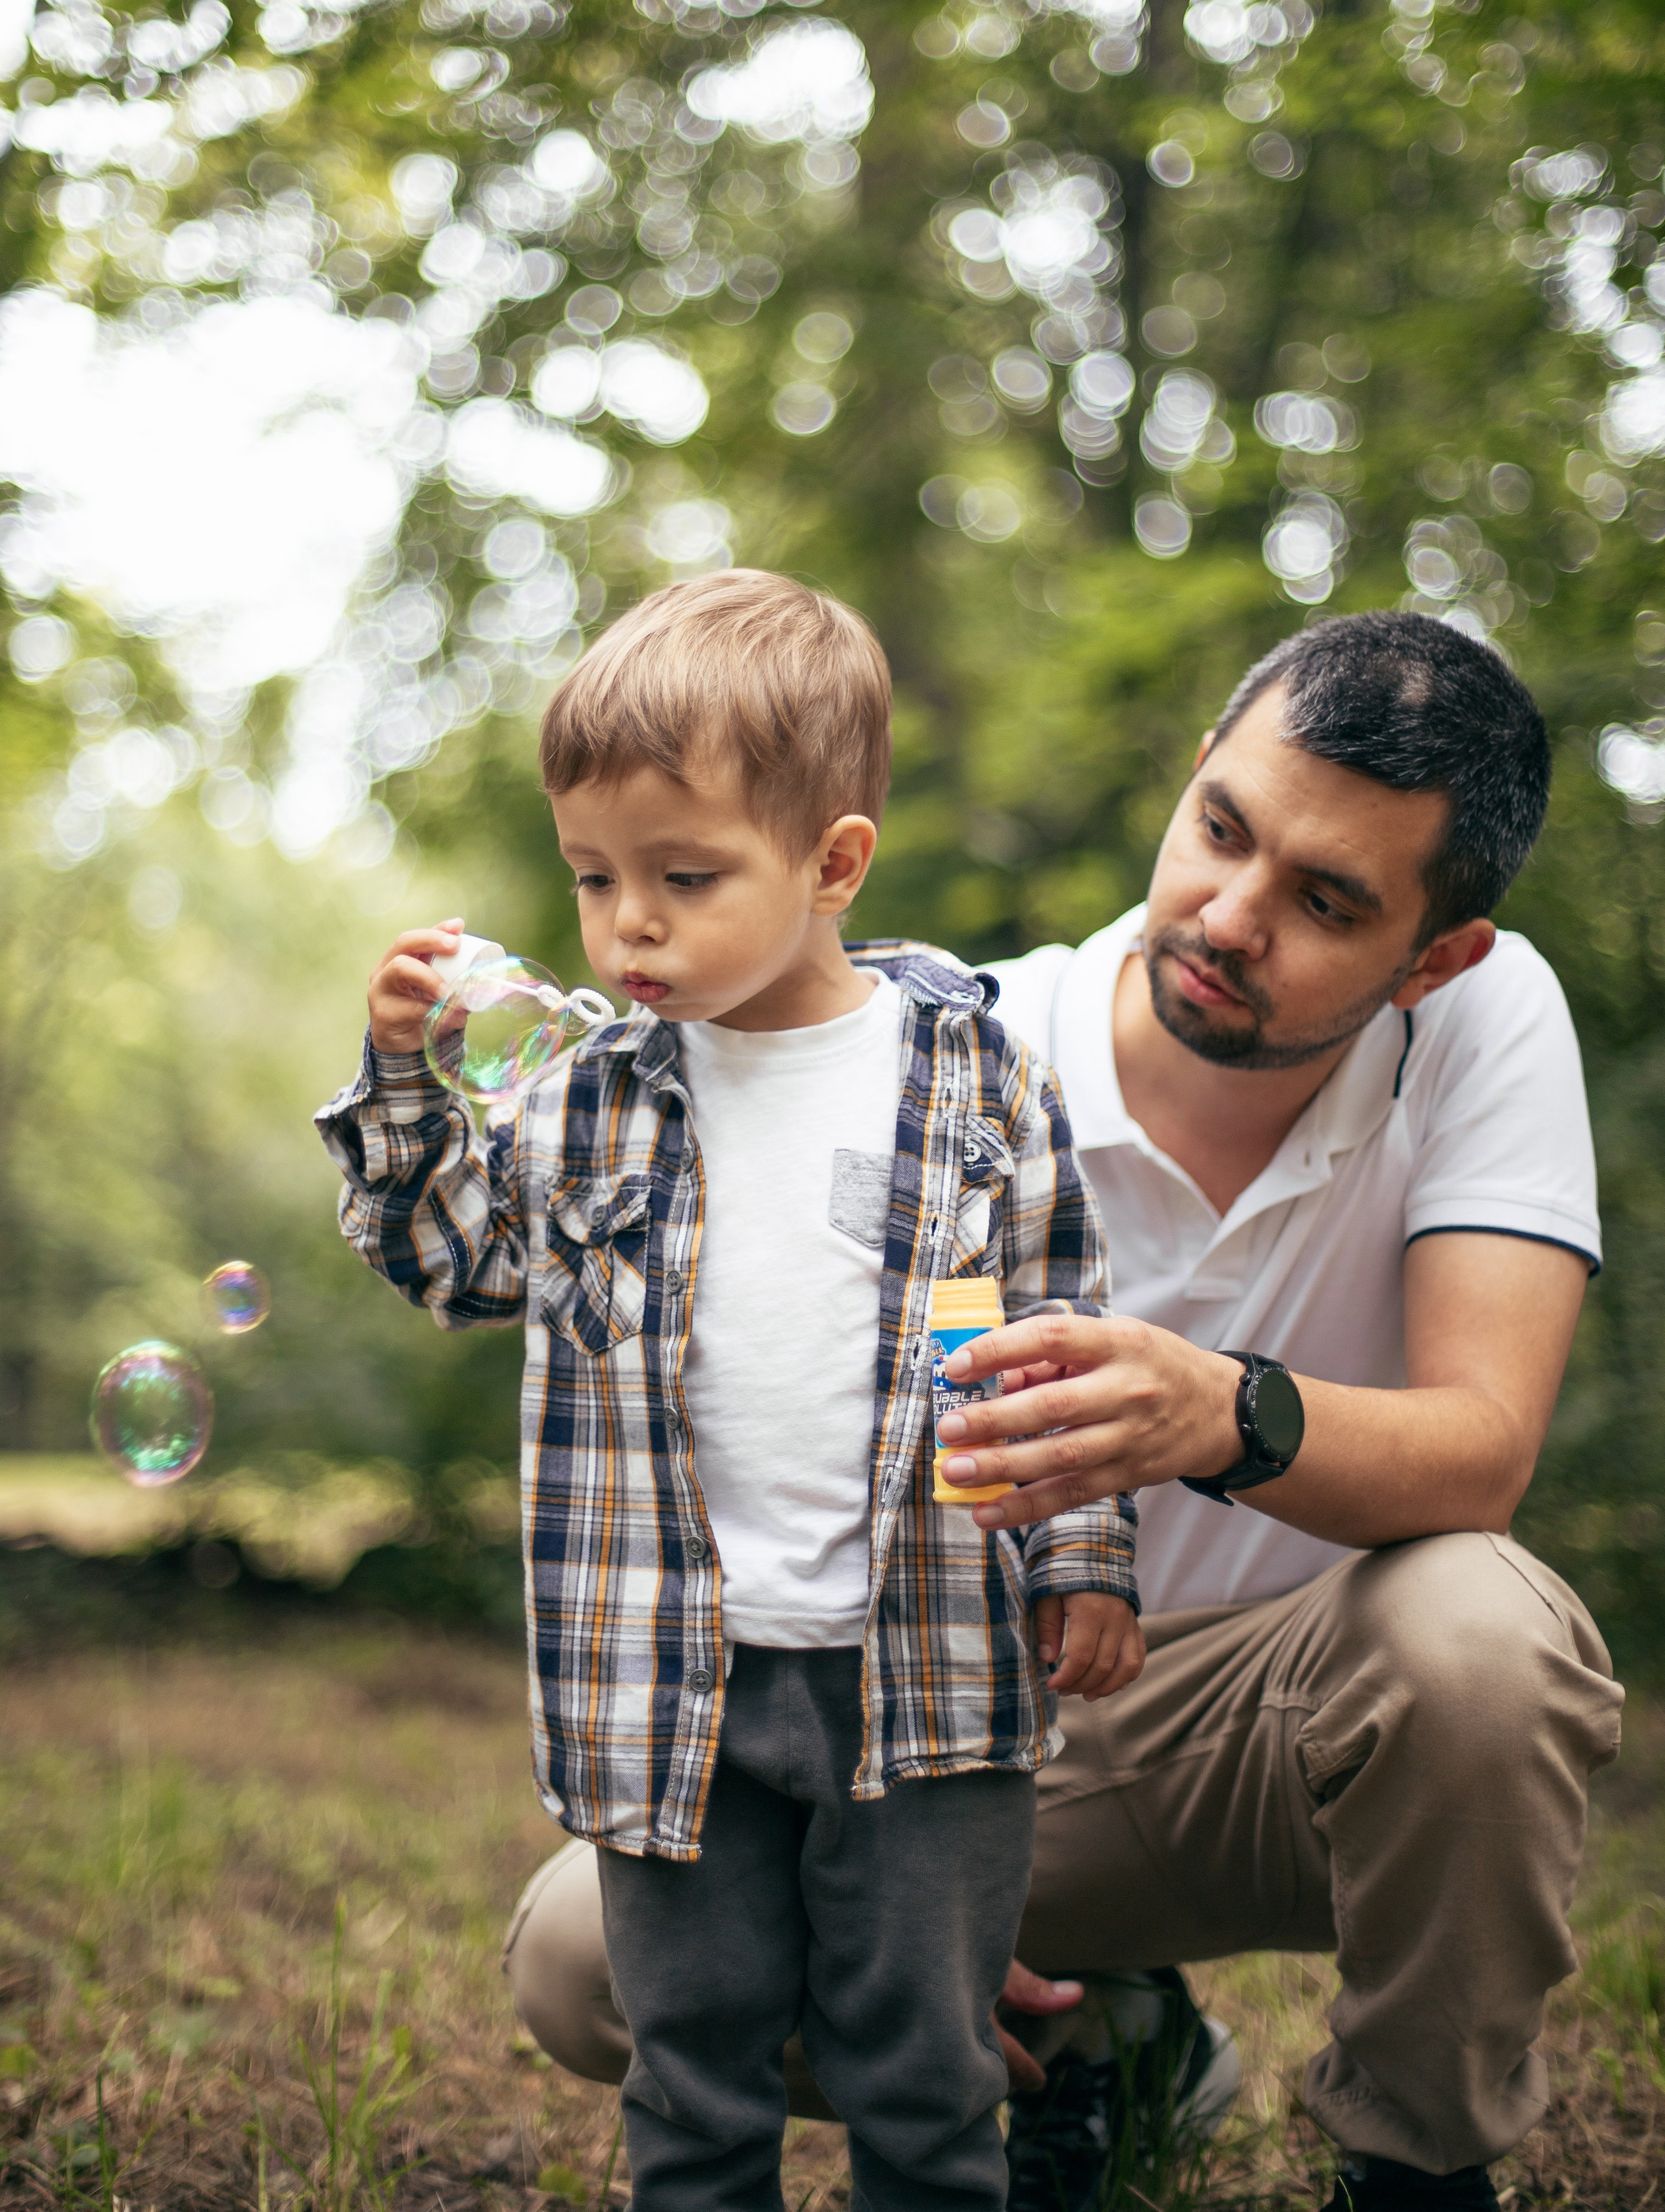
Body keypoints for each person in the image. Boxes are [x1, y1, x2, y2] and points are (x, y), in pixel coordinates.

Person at [508, 609, 1625, 2212]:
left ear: (1432, 955)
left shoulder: (1480, 1022)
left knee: (1480, 1632)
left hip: (1289, 1723)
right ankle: (1096, 2038)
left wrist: (1218, 1413)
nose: (1228, 916)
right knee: (579, 1958)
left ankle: (1416, 2165)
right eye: (1220, 831)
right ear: (1188, 783)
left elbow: (1481, 1449)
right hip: (972, 1722)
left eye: (1324, 902)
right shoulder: (967, 1053)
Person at [317, 569, 1142, 2212]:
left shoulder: (974, 1081)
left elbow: (1059, 1334)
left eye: (684, 877)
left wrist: (1087, 1558)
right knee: (693, 2074)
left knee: (921, 2070)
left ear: (833, 863)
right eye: (593, 877)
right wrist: (404, 1079)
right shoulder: (581, 1103)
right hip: (663, 1677)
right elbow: (446, 1261)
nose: (628, 924)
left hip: (930, 1664)